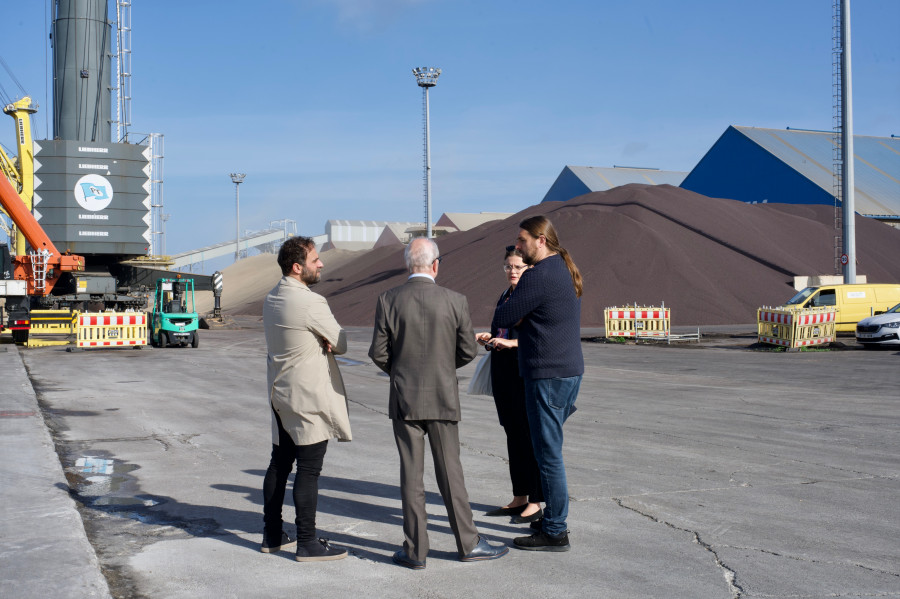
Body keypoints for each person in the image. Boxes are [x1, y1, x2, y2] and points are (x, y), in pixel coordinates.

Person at [369, 237, 509, 569]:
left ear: (408, 264)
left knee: (411, 477)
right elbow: (468, 350)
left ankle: (416, 552)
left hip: (405, 400)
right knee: (451, 473)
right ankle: (469, 543)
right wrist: (443, 370)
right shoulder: (454, 300)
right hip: (443, 398)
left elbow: (378, 352)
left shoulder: (388, 299)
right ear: (435, 265)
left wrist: (401, 372)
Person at [492, 216, 583, 552]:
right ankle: (550, 519)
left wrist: (520, 315)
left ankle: (555, 530)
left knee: (548, 455)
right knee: (547, 451)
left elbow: (502, 317)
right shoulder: (562, 268)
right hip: (566, 371)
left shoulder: (538, 275)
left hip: (547, 376)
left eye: (522, 240)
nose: (518, 246)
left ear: (540, 239)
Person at [261, 236, 352, 562]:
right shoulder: (311, 302)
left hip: (280, 395)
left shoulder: (271, 297)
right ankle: (307, 542)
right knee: (309, 470)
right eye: (315, 259)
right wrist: (325, 339)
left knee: (280, 464)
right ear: (297, 267)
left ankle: (272, 534)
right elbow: (341, 342)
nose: (321, 264)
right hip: (307, 399)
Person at [475, 246, 544, 524]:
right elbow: (501, 329)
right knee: (513, 436)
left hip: (524, 373)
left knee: (531, 437)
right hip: (503, 373)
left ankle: (537, 500)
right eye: (508, 267)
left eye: (518, 267)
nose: (513, 272)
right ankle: (520, 497)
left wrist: (512, 343)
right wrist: (490, 338)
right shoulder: (506, 295)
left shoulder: (533, 296)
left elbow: (541, 337)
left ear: (530, 269)